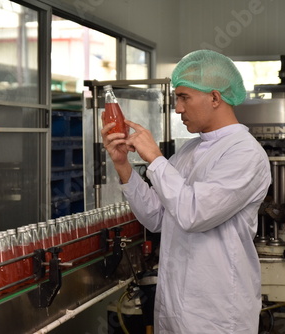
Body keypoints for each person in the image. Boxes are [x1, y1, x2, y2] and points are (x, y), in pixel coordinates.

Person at [101, 49, 272, 333]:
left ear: (215, 97)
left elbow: (193, 213)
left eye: (184, 97)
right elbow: (157, 217)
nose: (178, 108)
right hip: (175, 308)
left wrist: (156, 159)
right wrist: (123, 167)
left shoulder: (244, 153)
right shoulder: (189, 150)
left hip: (217, 313)